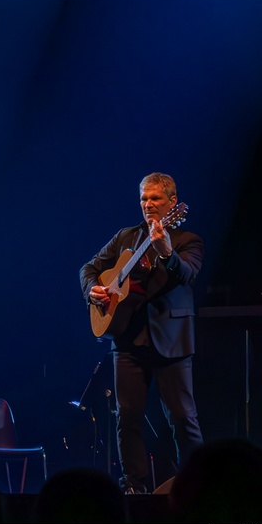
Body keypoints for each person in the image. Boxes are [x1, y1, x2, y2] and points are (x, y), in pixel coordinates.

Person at [79, 173, 204, 494]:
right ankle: (135, 489)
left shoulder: (187, 239)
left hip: (171, 342)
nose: (148, 204)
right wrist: (92, 290)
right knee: (127, 418)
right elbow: (88, 268)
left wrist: (166, 252)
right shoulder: (126, 237)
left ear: (172, 204)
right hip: (127, 340)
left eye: (155, 199)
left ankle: (195, 486)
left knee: (182, 420)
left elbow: (187, 274)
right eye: (144, 199)